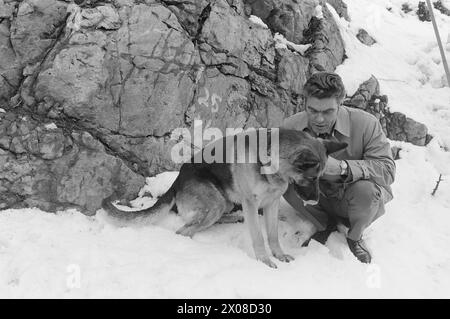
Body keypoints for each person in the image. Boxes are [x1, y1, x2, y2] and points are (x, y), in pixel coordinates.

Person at [282, 72, 396, 263]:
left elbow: (387, 170)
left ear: (341, 103)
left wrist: (343, 168)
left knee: (366, 191)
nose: (318, 119)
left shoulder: (366, 123)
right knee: (284, 180)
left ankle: (354, 237)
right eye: (312, 110)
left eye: (327, 112)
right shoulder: (291, 126)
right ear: (305, 103)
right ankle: (322, 224)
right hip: (315, 199)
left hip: (352, 198)